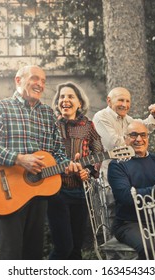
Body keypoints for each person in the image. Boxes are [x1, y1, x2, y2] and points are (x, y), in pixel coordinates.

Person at [0, 65, 83, 260]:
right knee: (10, 255)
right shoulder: (2, 107)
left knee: (33, 256)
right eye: (35, 78)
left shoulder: (48, 114)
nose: (40, 84)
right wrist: (18, 158)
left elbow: (57, 151)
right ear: (18, 80)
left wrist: (68, 164)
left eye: (43, 81)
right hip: (8, 192)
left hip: (38, 193)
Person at [47, 81, 103, 259]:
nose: (65, 100)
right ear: (57, 103)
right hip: (55, 192)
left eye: (70, 96)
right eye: (62, 97)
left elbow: (99, 153)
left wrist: (89, 171)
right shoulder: (50, 126)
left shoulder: (88, 125)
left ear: (80, 103)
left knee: (76, 248)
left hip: (80, 192)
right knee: (63, 246)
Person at [92, 87, 155, 219]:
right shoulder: (101, 117)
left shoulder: (126, 119)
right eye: (120, 100)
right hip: (109, 176)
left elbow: (143, 126)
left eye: (127, 101)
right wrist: (136, 138)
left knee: (130, 213)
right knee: (112, 217)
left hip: (127, 175)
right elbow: (115, 144)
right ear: (109, 101)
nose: (124, 105)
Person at [107, 120, 155, 259]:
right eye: (133, 135)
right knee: (152, 249)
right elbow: (126, 197)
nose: (139, 139)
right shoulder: (117, 164)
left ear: (148, 138)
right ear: (125, 138)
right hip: (129, 223)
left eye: (143, 135)